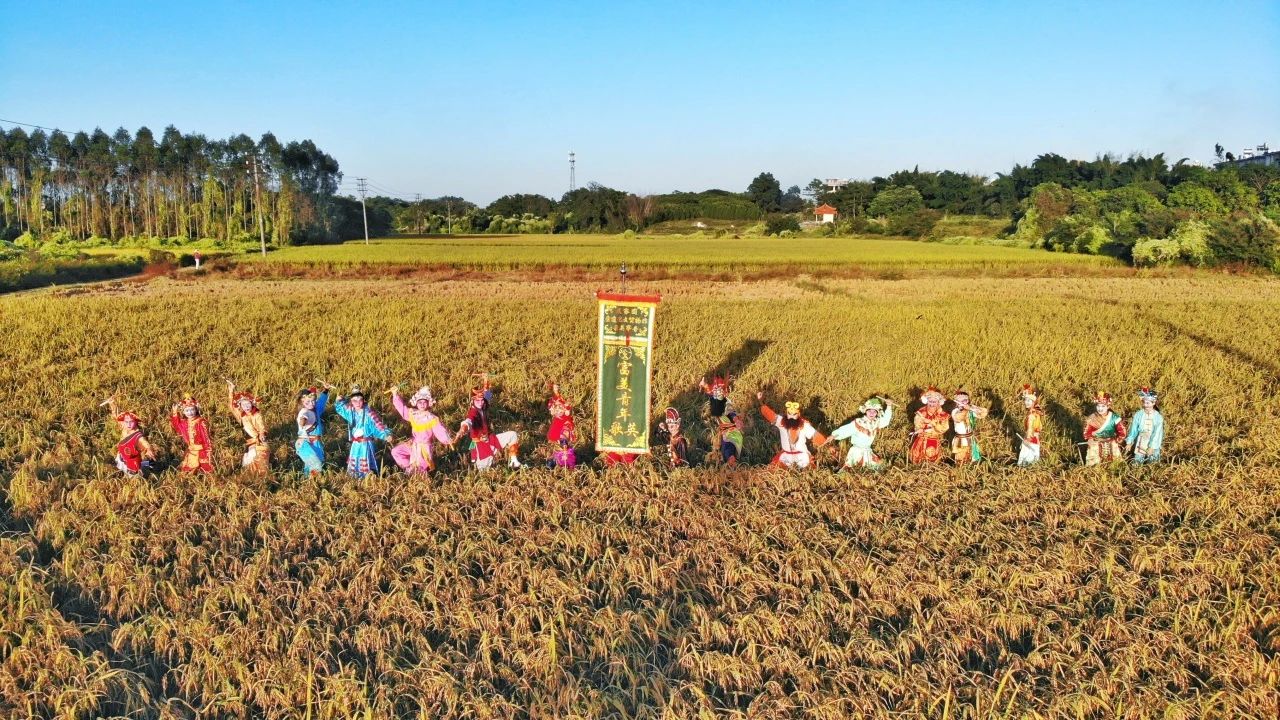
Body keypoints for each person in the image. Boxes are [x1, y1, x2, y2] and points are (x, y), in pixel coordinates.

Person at [453, 375, 521, 470]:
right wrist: (462, 430)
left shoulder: (483, 405)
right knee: (484, 471)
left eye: (481, 400)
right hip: (481, 445)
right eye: (478, 401)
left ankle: (514, 462)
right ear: (472, 400)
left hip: (491, 439)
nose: (481, 403)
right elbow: (468, 422)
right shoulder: (473, 413)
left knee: (512, 435)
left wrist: (486, 380)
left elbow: (488, 395)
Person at [389, 385, 452, 474]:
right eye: (420, 402)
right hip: (413, 444)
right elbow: (403, 409)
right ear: (416, 403)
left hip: (424, 448)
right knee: (396, 451)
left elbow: (440, 431)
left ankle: (419, 478)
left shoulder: (432, 418)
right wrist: (395, 394)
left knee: (420, 468)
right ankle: (409, 468)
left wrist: (448, 439)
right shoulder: (413, 414)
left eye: (424, 402)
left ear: (428, 403)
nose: (422, 404)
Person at [757, 392, 828, 468]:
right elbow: (769, 414)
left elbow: (816, 436)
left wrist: (828, 445)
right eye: (789, 414)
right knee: (773, 470)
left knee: (808, 470)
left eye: (794, 414)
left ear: (798, 414)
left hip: (802, 456)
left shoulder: (804, 425)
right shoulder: (781, 422)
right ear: (786, 413)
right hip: (786, 456)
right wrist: (761, 401)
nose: (791, 417)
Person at [334, 385, 391, 477]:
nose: (357, 403)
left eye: (360, 400)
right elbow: (340, 408)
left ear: (363, 400)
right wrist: (339, 400)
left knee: (365, 462)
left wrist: (385, 434)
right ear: (351, 401)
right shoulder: (350, 411)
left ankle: (368, 478)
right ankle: (354, 478)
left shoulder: (369, 413)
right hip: (355, 443)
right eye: (354, 401)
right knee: (355, 463)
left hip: (366, 443)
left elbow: (378, 425)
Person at [829, 396, 895, 470]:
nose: (872, 413)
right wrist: (833, 435)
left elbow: (885, 421)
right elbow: (846, 429)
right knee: (849, 470)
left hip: (868, 451)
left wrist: (889, 406)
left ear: (877, 413)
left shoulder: (876, 422)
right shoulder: (859, 422)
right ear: (865, 411)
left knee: (881, 468)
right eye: (869, 411)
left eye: (874, 411)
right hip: (856, 452)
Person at [104, 396, 155, 476]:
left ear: (135, 422)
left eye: (131, 421)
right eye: (126, 422)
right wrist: (112, 403)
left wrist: (149, 449)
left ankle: (148, 466)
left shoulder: (138, 436)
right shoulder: (124, 427)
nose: (128, 424)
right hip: (121, 457)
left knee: (135, 476)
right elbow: (116, 416)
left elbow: (145, 443)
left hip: (133, 464)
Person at [227, 380, 269, 473]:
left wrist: (262, 434)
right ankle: (248, 474)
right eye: (243, 405)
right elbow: (231, 406)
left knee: (259, 458)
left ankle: (260, 475)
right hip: (248, 441)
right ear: (240, 406)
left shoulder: (257, 414)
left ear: (252, 404)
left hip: (258, 440)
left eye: (248, 404)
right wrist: (231, 390)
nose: (246, 407)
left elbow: (261, 426)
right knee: (248, 461)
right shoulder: (241, 415)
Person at [170, 395, 213, 473]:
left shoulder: (201, 422)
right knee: (187, 470)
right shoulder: (185, 423)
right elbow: (177, 426)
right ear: (183, 412)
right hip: (191, 451)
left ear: (196, 410)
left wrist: (208, 451)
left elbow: (206, 438)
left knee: (205, 471)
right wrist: (175, 413)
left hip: (202, 451)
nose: (190, 413)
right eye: (187, 410)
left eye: (192, 410)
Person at [295, 384, 331, 476]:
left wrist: (326, 390)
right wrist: (303, 421)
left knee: (314, 464)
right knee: (316, 465)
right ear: (302, 402)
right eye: (308, 402)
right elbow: (303, 417)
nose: (311, 403)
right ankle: (313, 482)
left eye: (313, 401)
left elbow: (321, 402)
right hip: (305, 443)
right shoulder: (304, 411)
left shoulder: (315, 409)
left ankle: (308, 481)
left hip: (316, 442)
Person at [1083, 391, 1127, 466]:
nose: (1100, 409)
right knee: (1093, 462)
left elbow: (1122, 432)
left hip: (1111, 441)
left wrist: (1117, 440)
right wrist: (1090, 439)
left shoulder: (1114, 418)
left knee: (1115, 463)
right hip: (1095, 442)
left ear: (1108, 406)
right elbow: (1087, 431)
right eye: (1098, 406)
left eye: (1103, 406)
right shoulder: (1092, 418)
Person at [909, 387, 949, 464]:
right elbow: (917, 426)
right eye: (930, 401)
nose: (932, 404)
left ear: (938, 402)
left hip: (934, 440)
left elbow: (944, 428)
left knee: (933, 461)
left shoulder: (942, 414)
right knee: (918, 461)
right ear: (927, 401)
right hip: (921, 439)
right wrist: (924, 428)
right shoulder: (921, 412)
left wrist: (932, 423)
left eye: (934, 402)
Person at [1125, 386, 1164, 465]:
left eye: (1148, 403)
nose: (1145, 405)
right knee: (1137, 461)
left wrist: (1152, 446)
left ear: (1153, 403)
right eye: (1144, 402)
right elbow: (1134, 429)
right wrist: (1129, 442)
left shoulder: (1158, 417)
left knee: (1153, 462)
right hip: (1141, 440)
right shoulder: (1138, 414)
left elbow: (1157, 433)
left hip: (1154, 442)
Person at [950, 388, 988, 464]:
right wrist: (966, 410)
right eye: (960, 401)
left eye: (965, 400)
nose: (963, 402)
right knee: (962, 459)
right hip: (961, 439)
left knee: (974, 457)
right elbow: (958, 418)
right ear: (957, 402)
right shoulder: (955, 411)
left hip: (970, 437)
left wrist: (972, 408)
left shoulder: (970, 410)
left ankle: (974, 465)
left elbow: (983, 413)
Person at [546, 383, 576, 468]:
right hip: (558, 420)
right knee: (558, 439)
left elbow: (567, 412)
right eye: (555, 387)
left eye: (557, 387)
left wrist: (566, 407)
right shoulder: (553, 399)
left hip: (565, 421)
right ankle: (562, 458)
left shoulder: (564, 398)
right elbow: (552, 410)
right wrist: (557, 410)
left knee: (563, 438)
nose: (556, 389)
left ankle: (565, 458)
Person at [1017, 384, 1044, 466]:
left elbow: (1030, 428)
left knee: (1026, 459)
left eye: (1029, 401)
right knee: (1033, 458)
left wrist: (1027, 439)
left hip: (1031, 438)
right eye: (1025, 400)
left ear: (1033, 402)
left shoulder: (1031, 415)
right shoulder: (1036, 413)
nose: (1026, 402)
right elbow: (1040, 427)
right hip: (1035, 438)